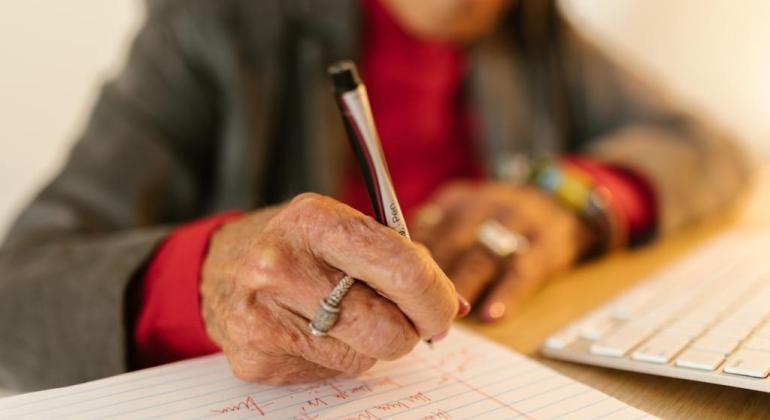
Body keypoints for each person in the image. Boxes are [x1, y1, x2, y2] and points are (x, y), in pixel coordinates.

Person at [0, 0, 749, 391]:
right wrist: (211, 282)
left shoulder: (533, 27)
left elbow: (705, 144)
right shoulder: (214, 22)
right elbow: (20, 288)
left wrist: (568, 198)